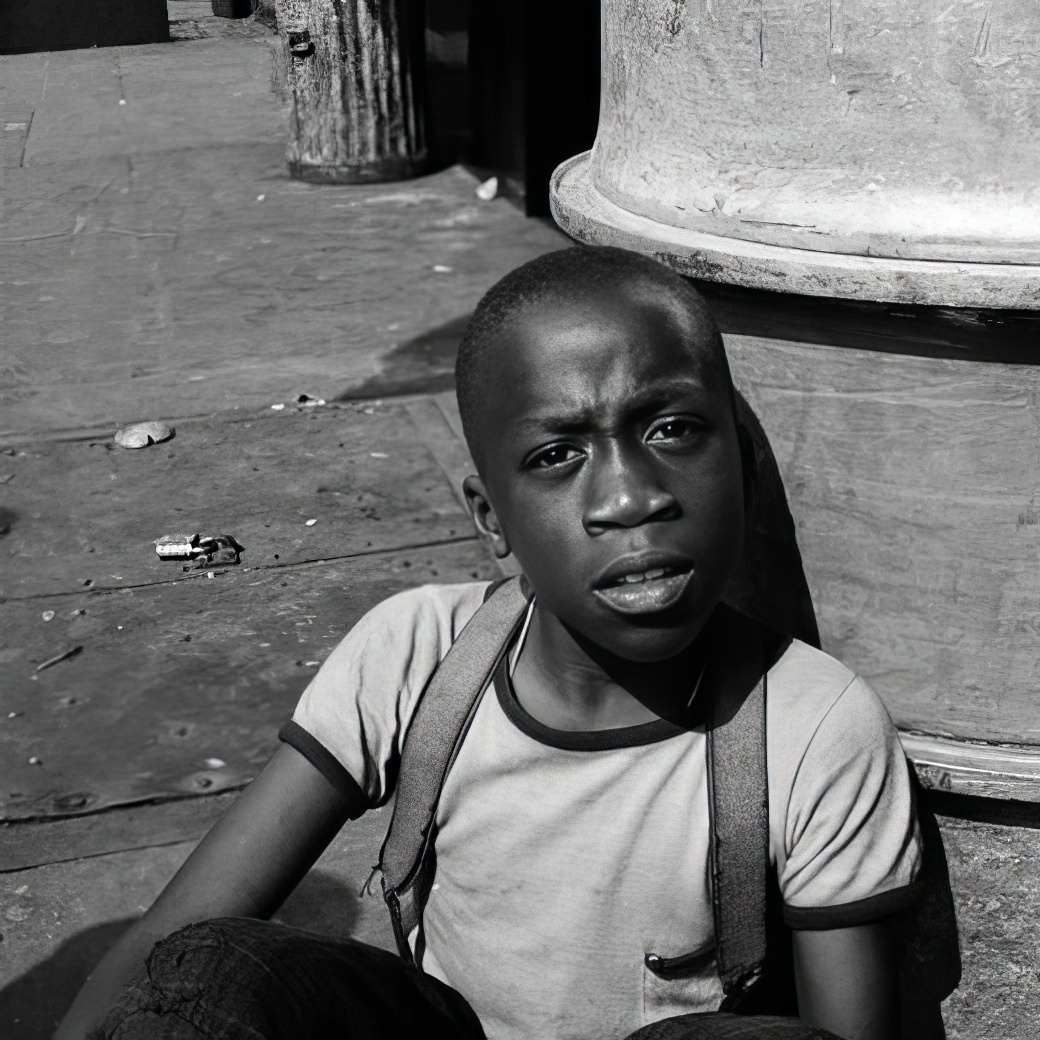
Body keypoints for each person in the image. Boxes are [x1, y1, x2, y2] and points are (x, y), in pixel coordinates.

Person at [57, 246, 922, 1040]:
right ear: (490, 517)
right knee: (214, 974)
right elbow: (179, 938)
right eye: (556, 455)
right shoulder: (420, 650)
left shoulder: (814, 727)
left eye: (672, 430)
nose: (628, 497)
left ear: (746, 465)